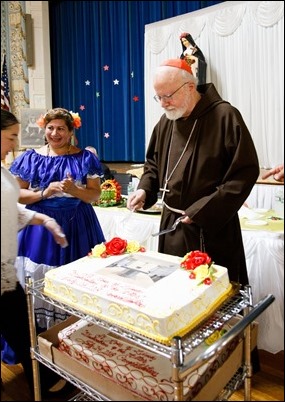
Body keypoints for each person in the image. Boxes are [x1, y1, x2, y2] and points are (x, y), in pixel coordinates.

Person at [127, 58, 260, 287]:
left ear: (189, 87)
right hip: (171, 225)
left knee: (210, 299)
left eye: (168, 96)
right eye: (159, 97)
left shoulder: (225, 116)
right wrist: (145, 189)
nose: (163, 104)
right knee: (173, 290)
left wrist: (202, 210)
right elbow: (153, 164)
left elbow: (244, 173)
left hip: (210, 227)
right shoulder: (167, 121)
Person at [9, 107, 105, 331]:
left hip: (79, 224)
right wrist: (45, 192)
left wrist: (74, 190)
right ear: (44, 130)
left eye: (61, 128)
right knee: (41, 276)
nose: (55, 133)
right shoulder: (31, 158)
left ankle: (74, 329)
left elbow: (95, 194)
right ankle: (41, 332)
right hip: (41, 227)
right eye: (50, 128)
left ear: (71, 131)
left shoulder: (85, 158)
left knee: (76, 276)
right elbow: (17, 193)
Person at [1, 109, 72, 398]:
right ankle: (40, 381)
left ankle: (40, 381)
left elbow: (8, 206)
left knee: (19, 323)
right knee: (18, 324)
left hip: (4, 268)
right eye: (10, 137)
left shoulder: (2, 170)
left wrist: (41, 219)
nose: (14, 144)